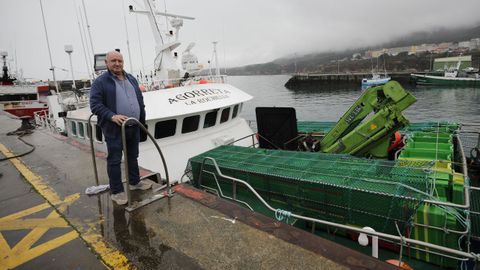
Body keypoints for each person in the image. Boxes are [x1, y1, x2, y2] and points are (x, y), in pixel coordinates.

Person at [90, 50, 151, 205]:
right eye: (113, 61)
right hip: (115, 128)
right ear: (107, 63)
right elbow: (95, 105)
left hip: (134, 126)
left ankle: (134, 182)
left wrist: (142, 120)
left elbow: (140, 100)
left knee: (132, 156)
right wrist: (112, 115)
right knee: (115, 160)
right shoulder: (101, 82)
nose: (117, 63)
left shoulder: (131, 78)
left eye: (120, 61)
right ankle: (116, 191)